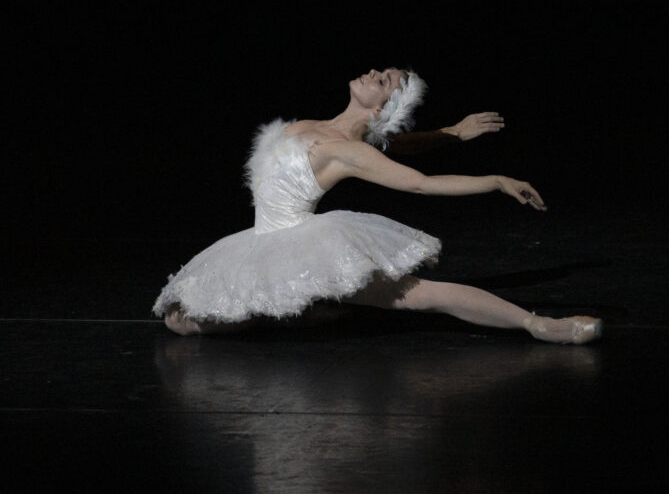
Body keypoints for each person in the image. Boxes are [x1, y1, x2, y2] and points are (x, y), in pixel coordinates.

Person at [153, 68, 602, 344]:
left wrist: (496, 181)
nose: (372, 72)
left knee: (418, 295)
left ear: (382, 106)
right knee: (178, 320)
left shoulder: (348, 150)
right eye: (379, 70)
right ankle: (302, 312)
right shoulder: (328, 127)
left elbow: (421, 184)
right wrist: (451, 133)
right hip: (258, 241)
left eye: (383, 80)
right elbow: (398, 143)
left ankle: (536, 324)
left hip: (304, 244)